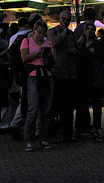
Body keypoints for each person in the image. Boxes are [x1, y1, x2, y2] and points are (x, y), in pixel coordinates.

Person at [19, 19, 54, 151]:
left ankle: (44, 138)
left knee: (46, 109)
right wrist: (38, 52)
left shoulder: (48, 43)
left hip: (47, 76)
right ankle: (29, 138)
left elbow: (52, 61)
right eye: (39, 32)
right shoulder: (26, 41)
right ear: (34, 30)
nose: (40, 35)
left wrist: (48, 54)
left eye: (43, 33)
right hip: (33, 76)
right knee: (33, 109)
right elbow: (24, 58)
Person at [46, 9, 79, 142]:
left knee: (69, 106)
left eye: (68, 19)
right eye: (64, 19)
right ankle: (54, 132)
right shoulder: (52, 32)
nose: (66, 21)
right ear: (60, 19)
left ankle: (68, 133)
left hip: (71, 74)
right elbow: (54, 43)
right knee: (58, 105)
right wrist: (64, 31)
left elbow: (75, 48)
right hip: (58, 73)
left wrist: (75, 51)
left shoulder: (71, 34)